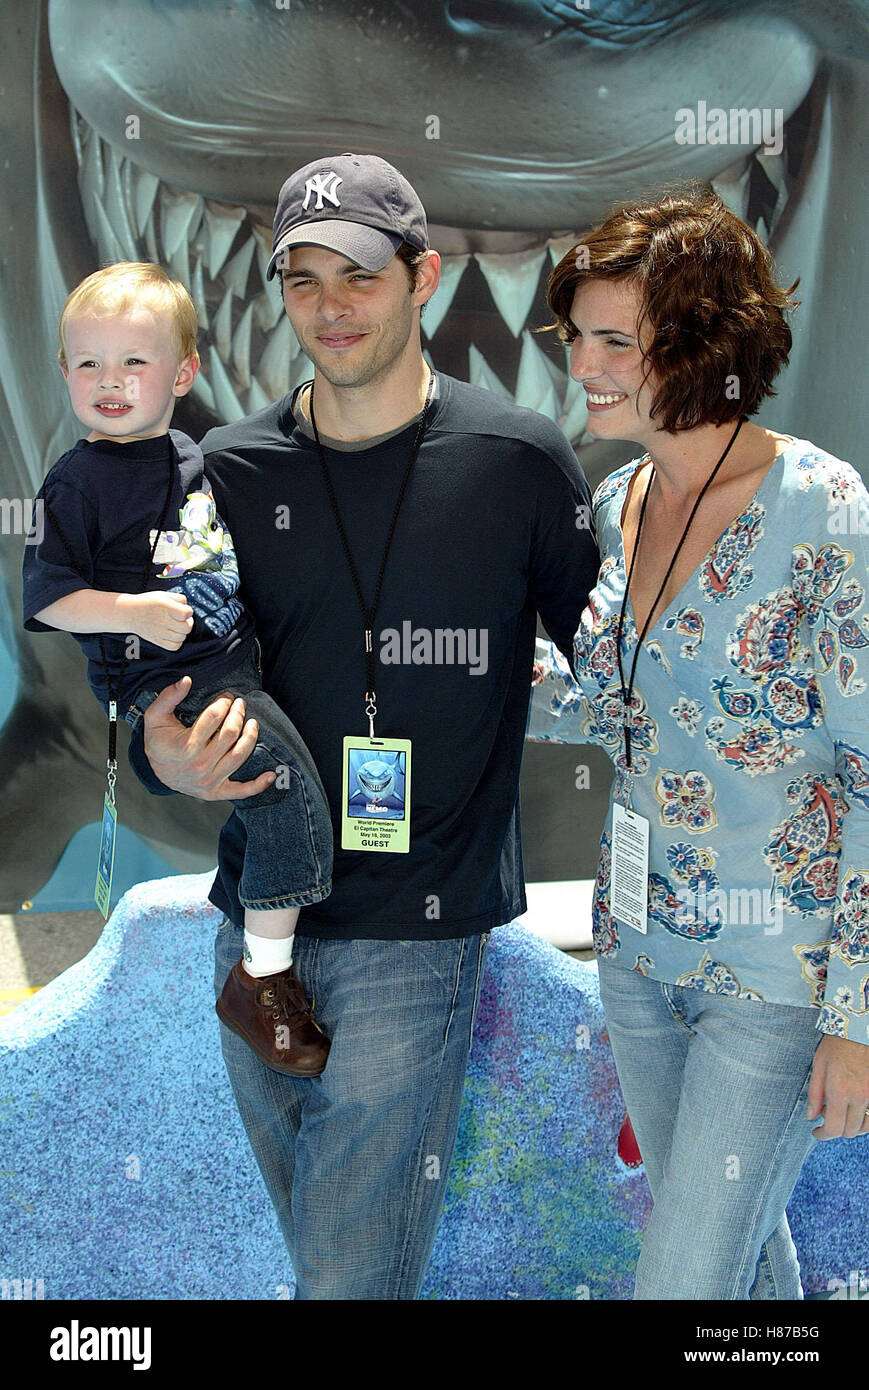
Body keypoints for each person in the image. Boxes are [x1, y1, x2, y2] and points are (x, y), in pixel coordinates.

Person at [126, 152, 601, 1299]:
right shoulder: (225, 473)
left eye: (360, 275)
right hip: (255, 928)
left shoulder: (518, 463)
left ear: (423, 276)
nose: (330, 307)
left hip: (415, 927)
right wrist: (169, 756)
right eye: (303, 280)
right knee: (332, 1260)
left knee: (344, 1270)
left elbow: (618, 668)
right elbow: (148, 700)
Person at [530, 187, 869, 1299]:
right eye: (575, 333)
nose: (583, 362)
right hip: (632, 955)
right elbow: (606, 706)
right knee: (736, 1269)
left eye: (615, 339)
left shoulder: (822, 507)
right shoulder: (616, 500)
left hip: (773, 980)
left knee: (678, 1284)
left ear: (701, 340)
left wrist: (856, 1017)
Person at [22, 262, 333, 1077]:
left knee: (283, 802)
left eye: (134, 361)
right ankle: (262, 982)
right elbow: (51, 598)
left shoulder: (190, 455)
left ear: (184, 372)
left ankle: (269, 954)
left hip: (230, 668)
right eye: (88, 363)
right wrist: (130, 613)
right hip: (176, 687)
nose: (109, 381)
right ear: (63, 374)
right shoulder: (75, 482)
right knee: (284, 796)